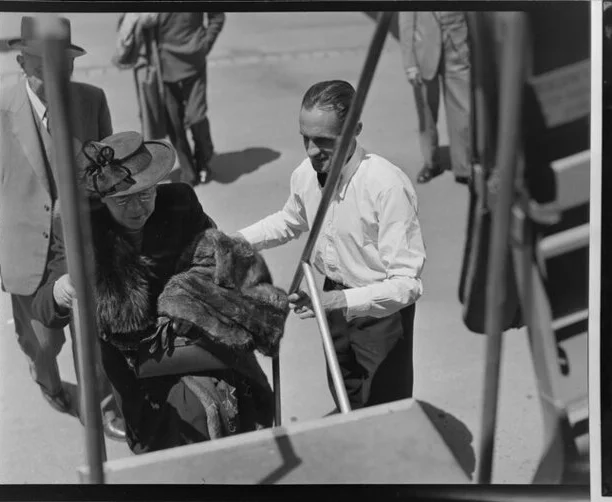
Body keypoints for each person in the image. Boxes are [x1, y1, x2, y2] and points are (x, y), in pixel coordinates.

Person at [32, 132, 277, 453]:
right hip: (137, 365)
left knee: (242, 417)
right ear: (102, 198)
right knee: (174, 437)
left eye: (146, 194)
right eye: (122, 199)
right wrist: (61, 290)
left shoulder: (179, 204)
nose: (137, 208)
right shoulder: (82, 231)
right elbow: (41, 308)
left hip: (200, 342)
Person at [235, 80, 427, 411]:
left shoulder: (387, 186)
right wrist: (234, 241)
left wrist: (338, 300)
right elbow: (290, 220)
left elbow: (406, 284)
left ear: (355, 130)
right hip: (332, 304)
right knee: (345, 395)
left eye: (323, 141)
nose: (311, 151)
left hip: (381, 315)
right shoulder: (305, 175)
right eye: (305, 139)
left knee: (385, 410)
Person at [0, 15, 124, 440]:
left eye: (63, 67)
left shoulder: (92, 100)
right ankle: (47, 380)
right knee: (44, 343)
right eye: (41, 67)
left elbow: (109, 177)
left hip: (83, 247)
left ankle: (103, 410)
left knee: (93, 341)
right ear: (22, 62)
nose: (54, 76)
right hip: (26, 253)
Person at [131, 12, 226, 186]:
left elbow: (217, 16)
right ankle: (188, 171)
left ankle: (204, 159)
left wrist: (204, 44)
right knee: (174, 123)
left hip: (194, 63)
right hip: (163, 66)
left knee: (196, 117)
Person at [399, 11, 471, 185]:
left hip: (458, 49)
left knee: (464, 110)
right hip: (424, 52)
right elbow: (406, 22)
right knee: (426, 112)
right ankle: (431, 163)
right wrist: (410, 63)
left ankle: (464, 167)